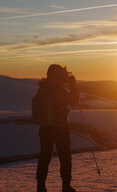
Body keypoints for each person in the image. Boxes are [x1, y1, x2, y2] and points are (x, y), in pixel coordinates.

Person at [35, 64, 79, 192]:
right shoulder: (58, 90)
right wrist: (73, 86)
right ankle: (66, 186)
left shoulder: (44, 88)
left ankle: (41, 186)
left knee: (45, 156)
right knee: (65, 157)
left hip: (45, 128)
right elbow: (74, 100)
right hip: (60, 127)